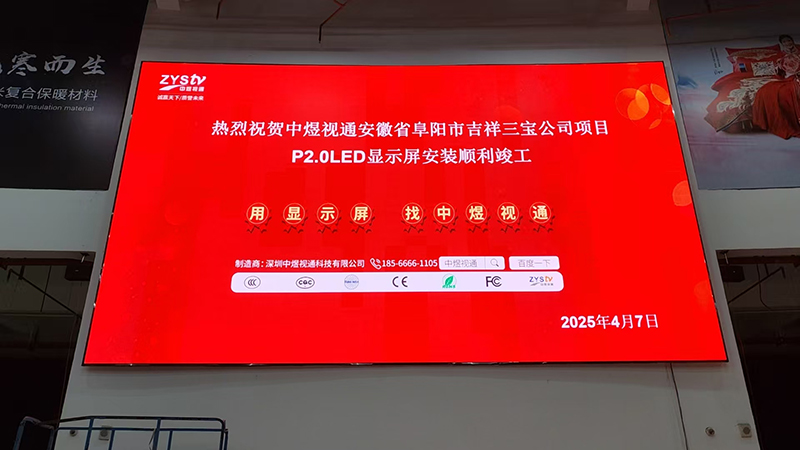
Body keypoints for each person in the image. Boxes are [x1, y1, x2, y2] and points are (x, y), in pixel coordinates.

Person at [751, 35, 800, 139]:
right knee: (768, 90)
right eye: (785, 42)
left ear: (792, 40)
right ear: (782, 44)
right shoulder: (780, 55)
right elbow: (778, 72)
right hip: (787, 77)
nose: (787, 43)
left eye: (789, 40)